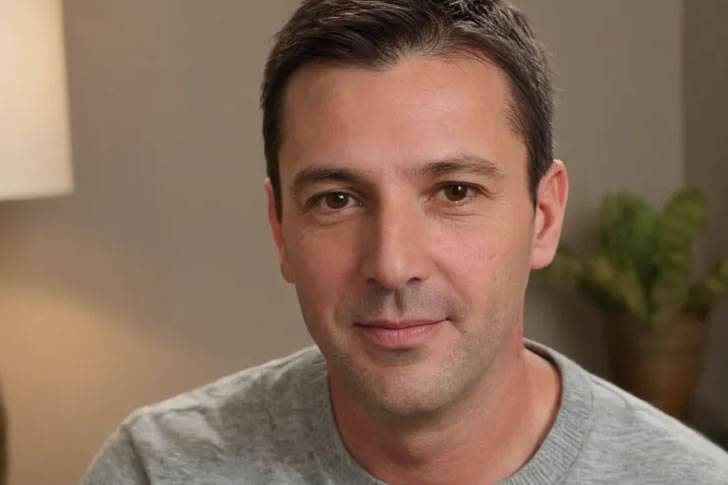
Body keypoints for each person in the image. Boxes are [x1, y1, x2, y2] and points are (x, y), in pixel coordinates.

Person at [82, 1, 728, 483]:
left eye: (454, 191)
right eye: (337, 199)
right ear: (280, 228)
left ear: (544, 216)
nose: (393, 265)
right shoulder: (157, 469)